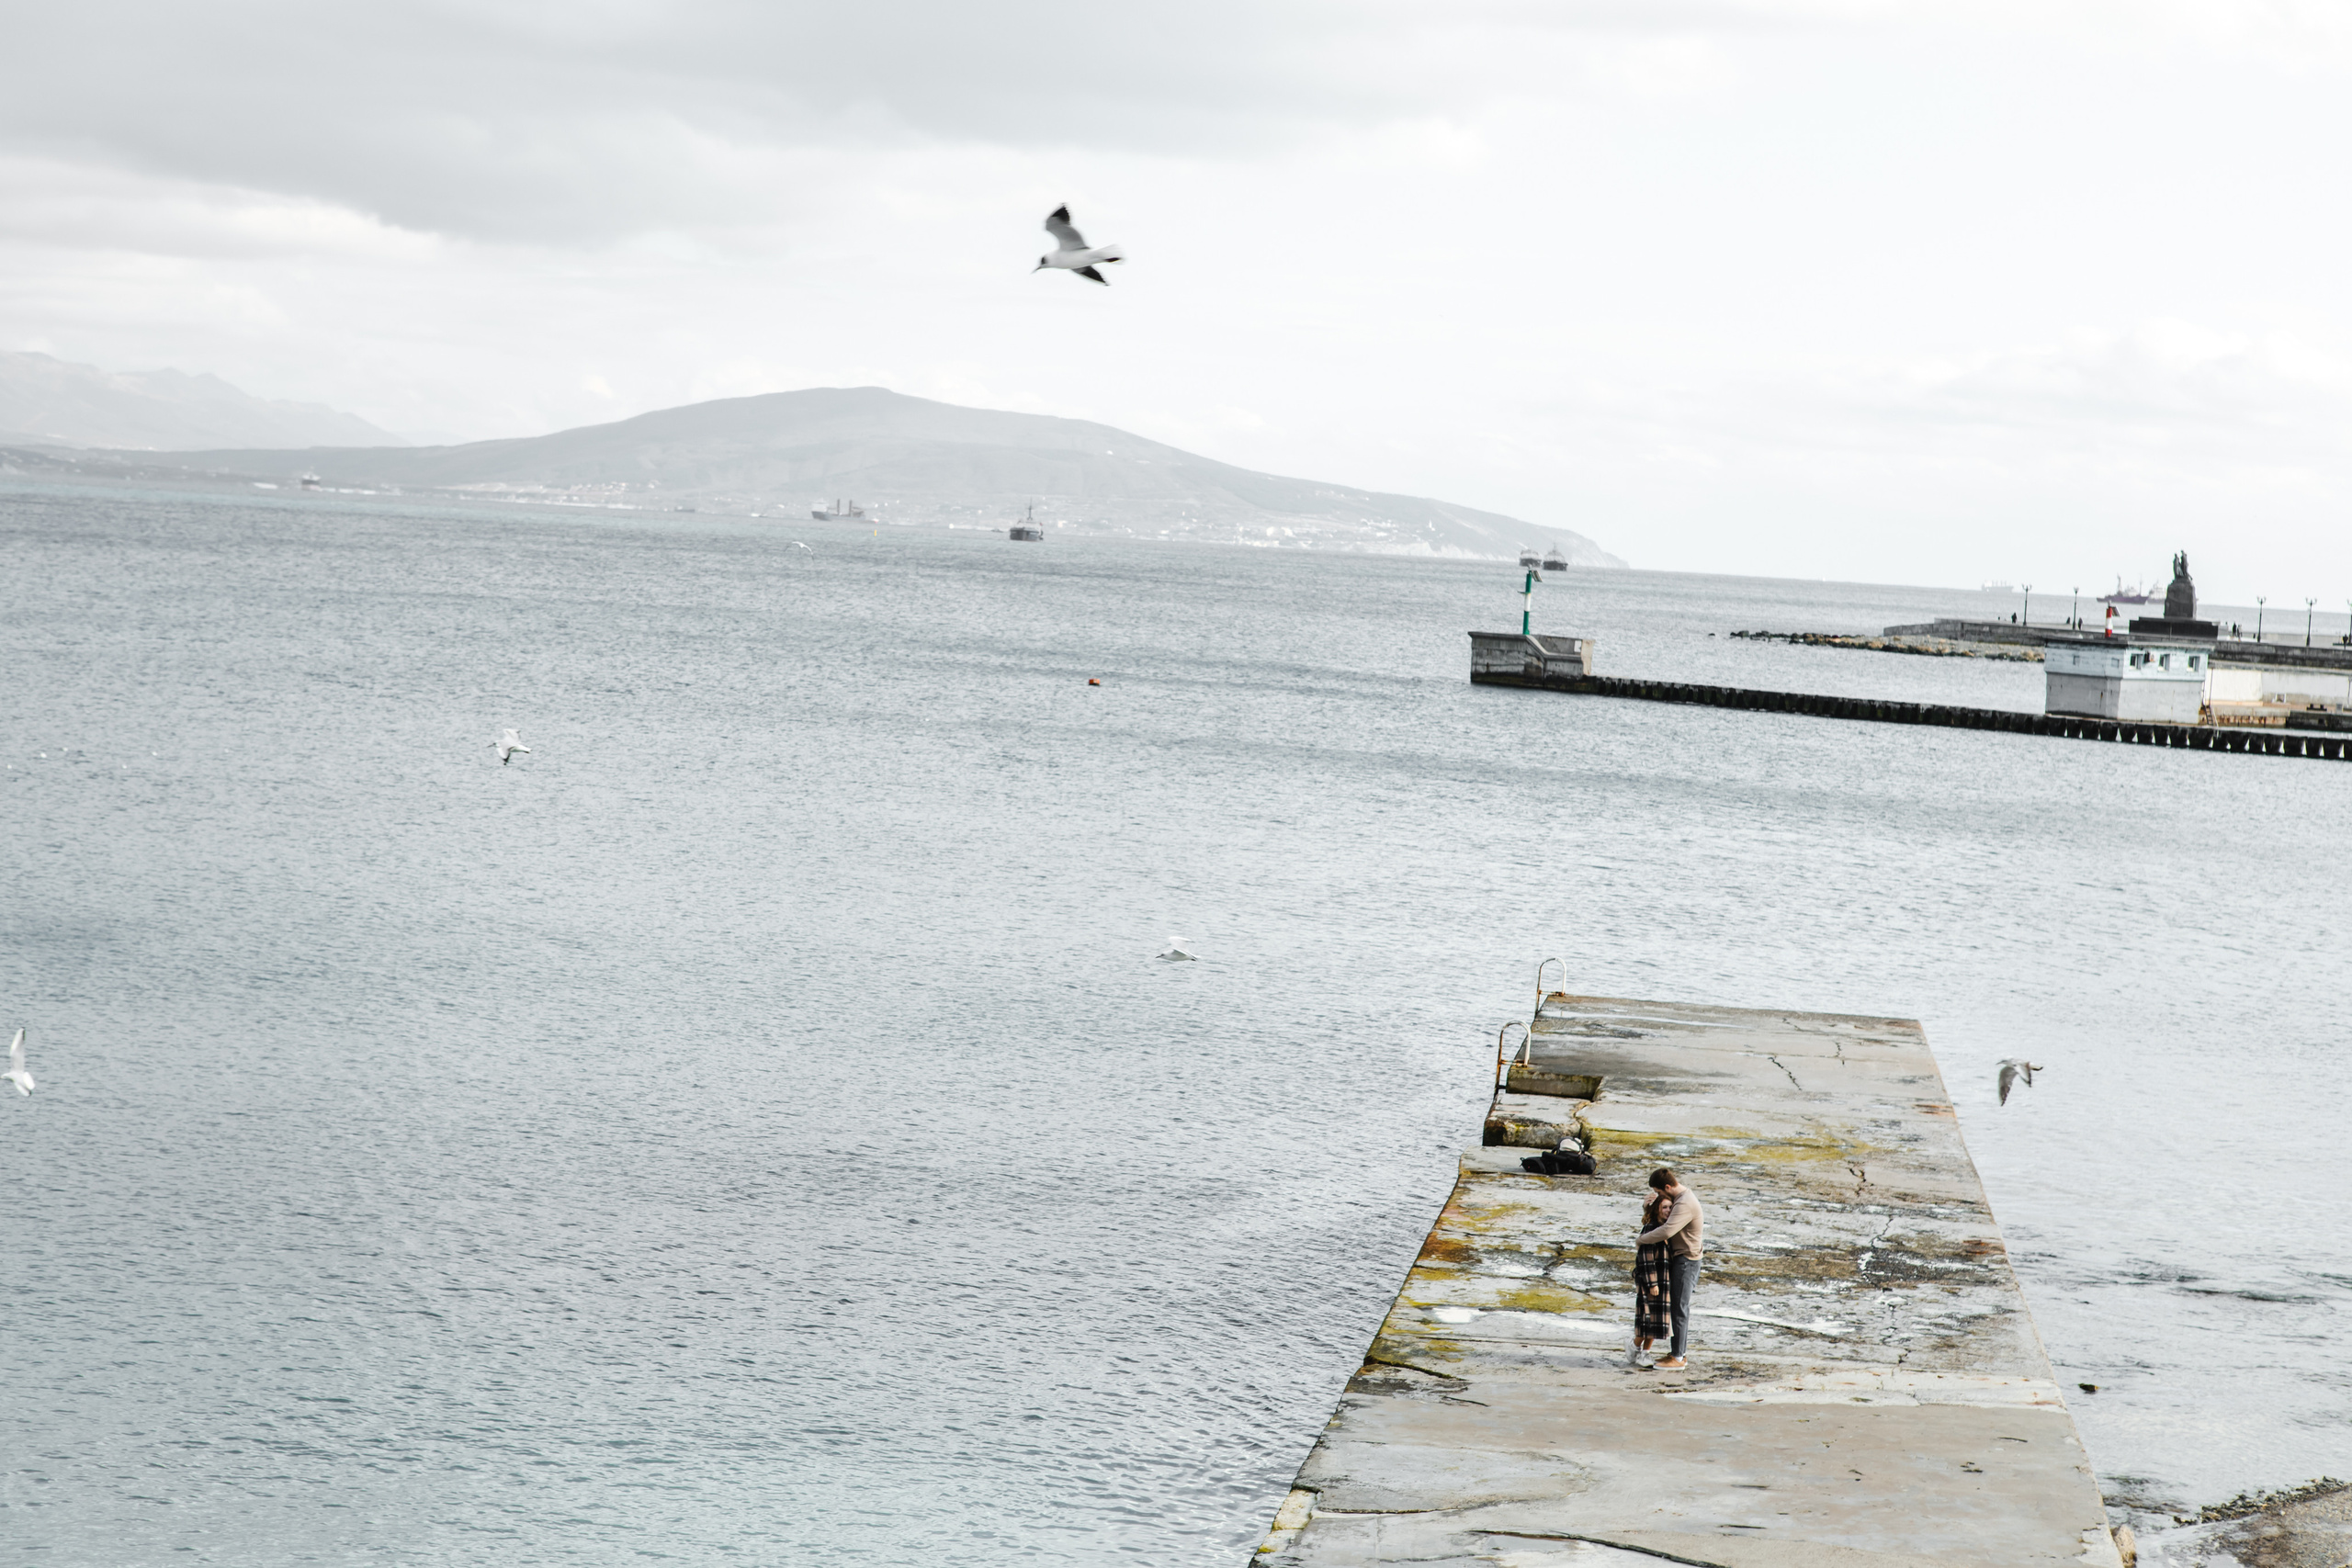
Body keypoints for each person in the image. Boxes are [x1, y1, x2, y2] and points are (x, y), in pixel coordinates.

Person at [1635, 1167, 1703, 1371]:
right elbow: (1661, 1218)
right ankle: (1677, 1352)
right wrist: (1646, 1207)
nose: (1659, 1197)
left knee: (1679, 1309)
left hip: (1687, 1260)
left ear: (1667, 1187)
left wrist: (1640, 1240)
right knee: (1676, 1307)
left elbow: (1666, 1230)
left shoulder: (1684, 1203)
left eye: (1659, 1192)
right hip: (1682, 1259)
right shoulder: (1682, 1198)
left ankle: (1679, 1357)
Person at [1628, 1182, 1673, 1368]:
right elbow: (1645, 1258)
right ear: (1656, 1210)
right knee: (1648, 1321)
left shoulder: (1667, 1229)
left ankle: (1645, 1353)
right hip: (1651, 1282)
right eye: (1664, 1207)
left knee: (1657, 1322)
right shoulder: (1651, 1229)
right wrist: (1652, 1283)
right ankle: (1634, 1346)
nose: (1668, 1210)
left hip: (1665, 1282)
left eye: (1671, 1207)